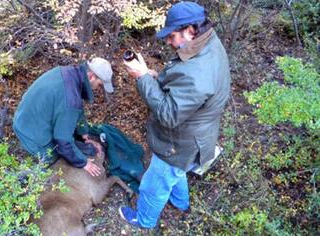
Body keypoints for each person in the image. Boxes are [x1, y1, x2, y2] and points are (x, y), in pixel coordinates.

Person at [119, 1, 231, 228]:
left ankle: (144, 220)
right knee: (176, 171)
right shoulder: (207, 43)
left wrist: (142, 78)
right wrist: (151, 76)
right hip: (195, 137)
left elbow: (169, 114)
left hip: (179, 143)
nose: (169, 41)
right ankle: (181, 203)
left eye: (172, 35)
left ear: (191, 30)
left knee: (155, 183)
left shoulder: (198, 73)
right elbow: (183, 88)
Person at [13, 58, 114, 177]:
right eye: (100, 84)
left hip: (25, 118)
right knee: (54, 161)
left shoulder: (68, 73)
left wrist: (84, 134)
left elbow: (77, 108)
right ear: (91, 76)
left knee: (73, 142)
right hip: (31, 134)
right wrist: (83, 163)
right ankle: (19, 179)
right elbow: (63, 141)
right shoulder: (70, 99)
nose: (98, 89)